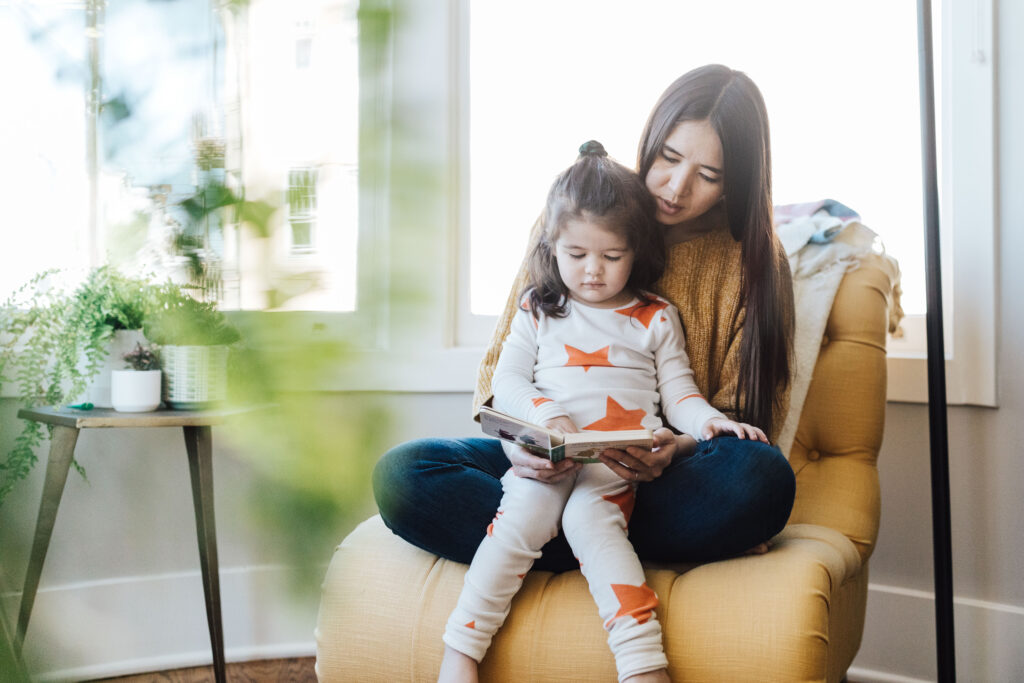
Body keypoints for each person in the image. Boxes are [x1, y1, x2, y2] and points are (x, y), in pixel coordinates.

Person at [373, 62, 796, 664]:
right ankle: (593, 539)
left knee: (761, 478)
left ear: (735, 184)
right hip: (548, 458)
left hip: (655, 474)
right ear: (649, 142)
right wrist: (524, 441)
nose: (676, 187)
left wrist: (670, 448)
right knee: (404, 474)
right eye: (668, 158)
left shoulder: (752, 261)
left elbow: (742, 421)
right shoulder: (574, 216)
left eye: (707, 175)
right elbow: (499, 380)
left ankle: (547, 536)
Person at [438, 141, 769, 683]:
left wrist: (710, 425)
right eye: (577, 255)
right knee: (512, 518)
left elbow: (680, 394)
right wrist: (546, 418)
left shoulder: (656, 317)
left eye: (611, 258)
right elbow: (508, 382)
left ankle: (641, 664)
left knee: (596, 524)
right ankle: (461, 652)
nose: (593, 272)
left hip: (615, 466)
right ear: (551, 245)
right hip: (542, 460)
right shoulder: (538, 308)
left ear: (636, 251)